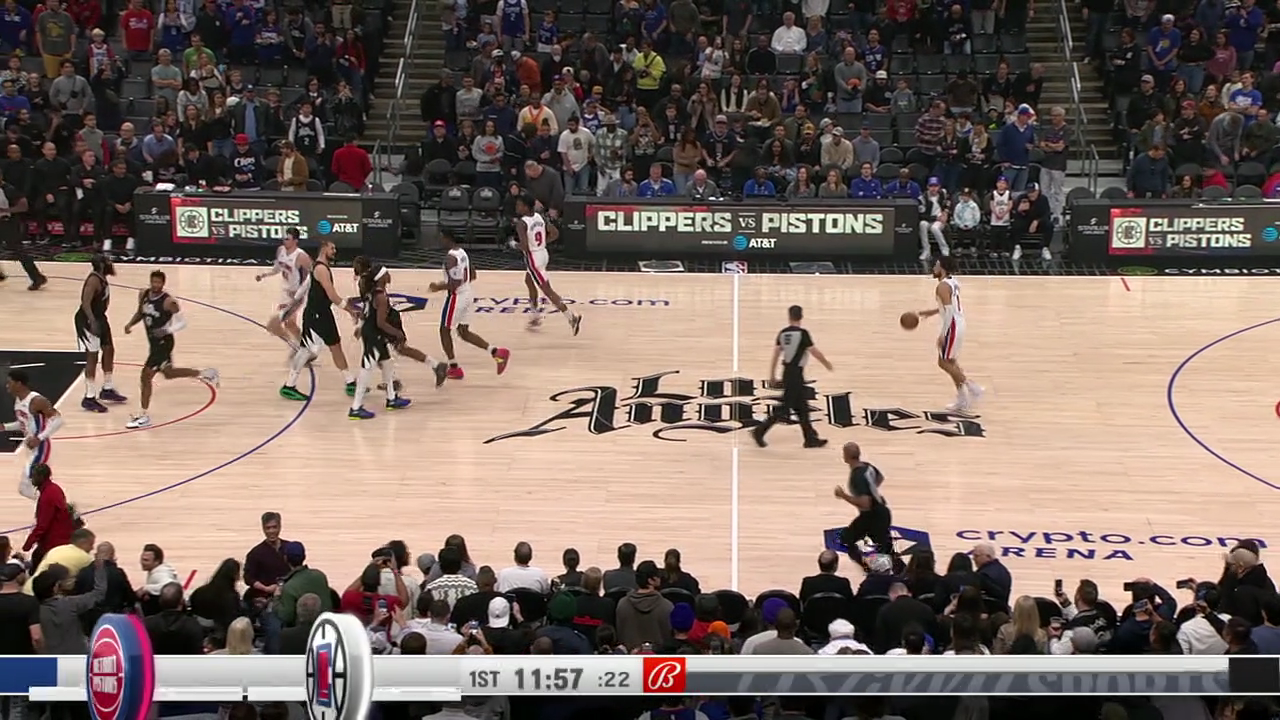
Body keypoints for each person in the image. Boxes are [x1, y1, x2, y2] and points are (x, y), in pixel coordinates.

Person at [122, 270, 220, 429]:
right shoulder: (143, 294)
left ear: (163, 283)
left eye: (158, 282)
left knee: (145, 377)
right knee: (169, 373)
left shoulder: (169, 302)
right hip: (154, 342)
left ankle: (144, 416)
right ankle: (205, 373)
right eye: (153, 282)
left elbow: (182, 323)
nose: (155, 285)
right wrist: (130, 324)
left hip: (163, 343)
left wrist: (166, 330)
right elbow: (140, 313)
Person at [279, 240, 359, 401]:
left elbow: (304, 288)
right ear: (324, 249)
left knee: (336, 346)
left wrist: (291, 304)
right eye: (332, 248)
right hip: (315, 315)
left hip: (324, 313)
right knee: (306, 350)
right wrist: (350, 310)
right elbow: (332, 295)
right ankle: (289, 386)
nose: (335, 250)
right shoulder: (321, 269)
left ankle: (350, 382)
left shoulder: (317, 267)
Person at [428, 230, 512, 381]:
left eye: (441, 237)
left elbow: (454, 283)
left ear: (447, 238)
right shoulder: (462, 252)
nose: (439, 240)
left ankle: (454, 368)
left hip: (457, 296)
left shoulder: (450, 258)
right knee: (463, 331)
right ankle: (496, 352)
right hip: (468, 293)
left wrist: (437, 286)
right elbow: (473, 275)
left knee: (444, 330)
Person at [750, 304, 832, 449]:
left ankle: (810, 439)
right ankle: (759, 431)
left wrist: (772, 375)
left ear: (789, 316)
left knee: (802, 408)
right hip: (796, 374)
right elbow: (814, 351)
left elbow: (776, 354)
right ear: (801, 316)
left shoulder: (782, 333)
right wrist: (826, 363)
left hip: (787, 372)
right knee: (785, 407)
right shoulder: (803, 334)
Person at [911, 256, 982, 411]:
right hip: (958, 323)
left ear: (942, 268)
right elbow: (949, 306)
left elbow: (949, 311)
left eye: (936, 265)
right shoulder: (953, 282)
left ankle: (973, 388)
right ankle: (963, 399)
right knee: (950, 362)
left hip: (952, 326)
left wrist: (943, 333)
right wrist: (930, 312)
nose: (933, 268)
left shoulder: (942, 286)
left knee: (943, 362)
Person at [348, 265, 414, 420]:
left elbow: (366, 313)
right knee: (367, 368)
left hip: (373, 332)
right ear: (382, 278)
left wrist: (360, 327)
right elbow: (381, 323)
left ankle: (391, 398)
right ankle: (355, 408)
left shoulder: (373, 292)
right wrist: (397, 333)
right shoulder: (381, 297)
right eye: (387, 273)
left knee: (387, 363)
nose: (389, 275)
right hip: (374, 334)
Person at [514, 193, 581, 335]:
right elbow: (555, 233)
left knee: (547, 291)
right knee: (529, 281)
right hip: (543, 254)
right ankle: (535, 316)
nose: (517, 207)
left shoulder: (522, 223)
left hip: (533, 258)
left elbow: (525, 246)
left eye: (519, 205)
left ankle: (571, 317)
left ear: (526, 207)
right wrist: (542, 243)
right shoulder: (539, 217)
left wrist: (513, 244)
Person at [75, 253, 127, 413]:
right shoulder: (93, 280)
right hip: (88, 320)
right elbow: (85, 302)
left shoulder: (101, 278)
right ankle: (89, 397)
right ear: (103, 265)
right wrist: (92, 321)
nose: (111, 263)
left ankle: (107, 388)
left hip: (100, 318)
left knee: (109, 350)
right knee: (92, 356)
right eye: (108, 261)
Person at [4, 369, 63, 500]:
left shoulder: (36, 400)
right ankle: (55, 508)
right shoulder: (18, 401)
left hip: (41, 447)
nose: (7, 386)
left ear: (19, 383)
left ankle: (57, 507)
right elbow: (24, 423)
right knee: (38, 486)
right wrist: (5, 427)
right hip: (31, 447)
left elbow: (58, 420)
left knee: (27, 486)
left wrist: (39, 438)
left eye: (9, 382)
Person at [834, 442, 893, 561]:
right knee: (847, 536)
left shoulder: (857, 477)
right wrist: (872, 491)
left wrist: (843, 495)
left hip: (874, 517)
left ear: (846, 456)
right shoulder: (867, 466)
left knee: (850, 541)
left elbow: (865, 504)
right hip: (879, 511)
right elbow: (880, 478)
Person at [255, 227, 310, 352]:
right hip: (285, 293)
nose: (284, 241)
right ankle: (302, 346)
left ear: (295, 241)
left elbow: (310, 278)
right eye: (284, 238)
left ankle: (301, 347)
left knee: (278, 324)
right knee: (288, 325)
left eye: (287, 239)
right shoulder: (280, 250)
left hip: (296, 295)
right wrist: (264, 275)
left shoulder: (301, 256)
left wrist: (299, 294)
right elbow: (277, 268)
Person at [21, 464, 75, 569]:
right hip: (63, 537)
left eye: (34, 475)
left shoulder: (47, 496)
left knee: (37, 563)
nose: (31, 478)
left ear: (41, 477)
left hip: (54, 541)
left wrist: (28, 544)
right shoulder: (54, 488)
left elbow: (42, 525)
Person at [0, 164, 45, 290]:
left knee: (19, 252)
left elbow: (24, 206)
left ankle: (37, 277)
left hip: (7, 223)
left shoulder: (8, 189)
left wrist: (6, 210)